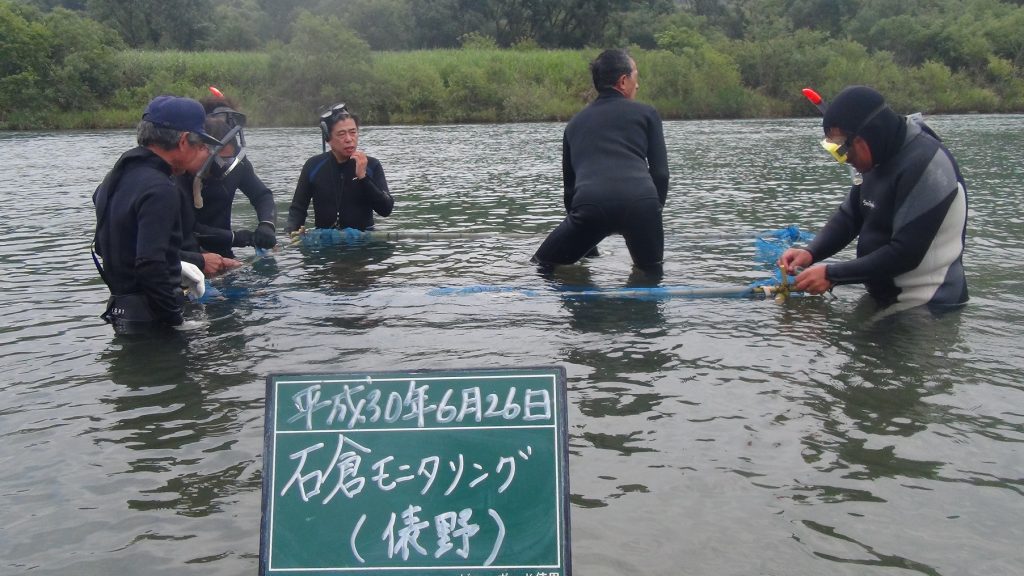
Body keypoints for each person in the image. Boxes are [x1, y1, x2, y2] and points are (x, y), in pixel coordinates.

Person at [779, 85, 969, 312]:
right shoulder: (878, 156)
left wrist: (832, 274)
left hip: (930, 307)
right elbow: (850, 216)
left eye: (842, 148)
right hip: (885, 299)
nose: (844, 158)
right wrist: (811, 253)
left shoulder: (928, 166)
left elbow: (905, 253)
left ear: (866, 137)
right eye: (834, 150)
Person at [532, 48, 669, 274]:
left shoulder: (574, 124)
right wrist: (653, 212)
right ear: (623, 81)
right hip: (642, 204)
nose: (637, 85)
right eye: (636, 76)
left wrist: (586, 239)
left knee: (541, 265)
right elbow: (661, 174)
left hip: (591, 207)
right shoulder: (647, 114)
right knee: (651, 275)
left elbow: (570, 192)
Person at [92, 95, 220, 334]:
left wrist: (176, 264)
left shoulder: (113, 179)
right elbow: (150, 264)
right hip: (153, 319)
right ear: (183, 141)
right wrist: (176, 320)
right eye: (198, 144)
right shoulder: (160, 188)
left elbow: (104, 246)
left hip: (121, 309)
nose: (199, 154)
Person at [177, 95, 278, 259]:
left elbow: (262, 195)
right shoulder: (178, 171)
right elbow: (186, 227)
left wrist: (267, 224)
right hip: (186, 256)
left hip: (222, 253)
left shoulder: (236, 161)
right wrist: (239, 238)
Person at [285, 103, 393, 233]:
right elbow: (298, 209)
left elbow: (386, 209)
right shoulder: (313, 166)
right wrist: (290, 233)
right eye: (341, 134)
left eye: (353, 132)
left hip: (362, 240)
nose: (349, 139)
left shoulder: (372, 165)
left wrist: (363, 177)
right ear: (328, 138)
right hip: (325, 240)